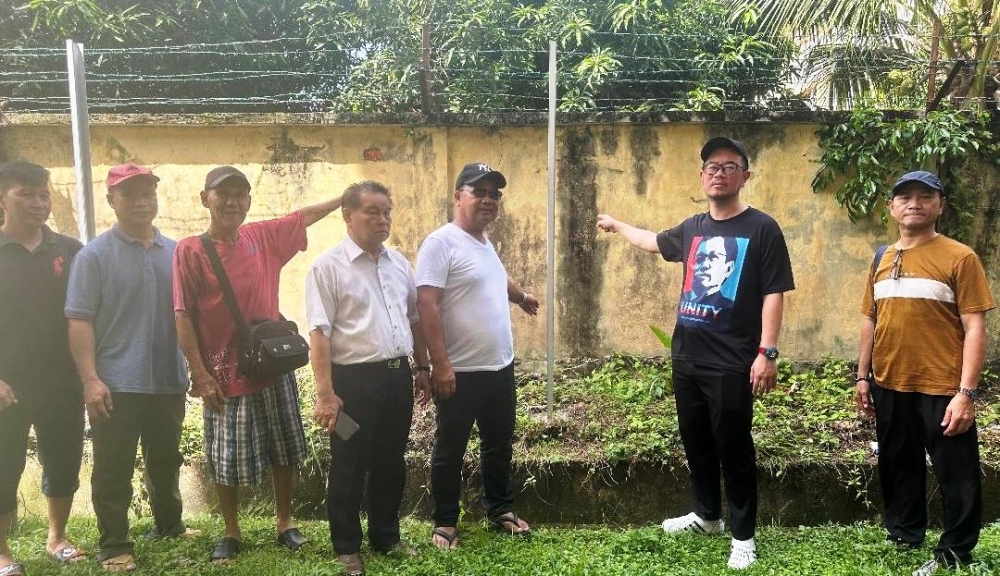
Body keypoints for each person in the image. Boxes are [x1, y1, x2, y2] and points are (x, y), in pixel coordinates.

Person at [596, 137, 794, 570]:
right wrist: (615, 224)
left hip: (732, 359)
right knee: (697, 441)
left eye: (728, 166)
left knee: (733, 446)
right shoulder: (692, 227)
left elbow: (775, 292)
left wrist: (768, 353)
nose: (718, 173)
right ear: (702, 176)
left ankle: (743, 536)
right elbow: (653, 242)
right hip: (687, 355)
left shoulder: (762, 228)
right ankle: (707, 516)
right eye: (710, 166)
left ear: (745, 175)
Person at [173, 165, 342, 563]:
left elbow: (302, 217)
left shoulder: (261, 236)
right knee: (225, 455)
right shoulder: (191, 250)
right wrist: (199, 374)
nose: (232, 202)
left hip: (273, 363)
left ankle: (285, 523)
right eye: (223, 194)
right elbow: (181, 315)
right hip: (225, 372)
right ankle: (231, 531)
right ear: (205, 199)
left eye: (240, 195)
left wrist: (344, 199)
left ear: (249, 201)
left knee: (284, 446)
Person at [854, 171, 994, 576]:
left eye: (924, 196)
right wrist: (863, 377)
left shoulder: (959, 257)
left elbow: (975, 327)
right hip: (889, 383)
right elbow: (869, 319)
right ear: (892, 207)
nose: (914, 203)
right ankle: (904, 532)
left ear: (940, 205)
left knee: (957, 473)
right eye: (905, 197)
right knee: (898, 463)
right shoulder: (881, 257)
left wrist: (966, 392)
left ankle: (955, 550)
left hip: (942, 385)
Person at [66, 164, 196, 572]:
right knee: (113, 468)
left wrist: (195, 367)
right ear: (111, 201)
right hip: (115, 383)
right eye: (130, 194)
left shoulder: (176, 253)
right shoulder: (94, 256)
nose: (141, 202)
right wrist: (90, 380)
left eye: (148, 194)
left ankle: (170, 524)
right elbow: (79, 320)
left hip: (167, 379)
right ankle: (114, 545)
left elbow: (190, 317)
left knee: (165, 459)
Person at [305, 181, 430, 575]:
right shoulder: (328, 268)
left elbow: (415, 320)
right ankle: (346, 545)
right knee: (350, 462)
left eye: (387, 212)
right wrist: (326, 393)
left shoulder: (399, 265)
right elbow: (319, 334)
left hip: (396, 378)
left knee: (391, 460)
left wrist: (422, 368)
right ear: (348, 216)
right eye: (372, 212)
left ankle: (386, 536)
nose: (382, 220)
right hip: (352, 383)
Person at [416, 162, 539, 550]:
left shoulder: (484, 243)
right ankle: (446, 522)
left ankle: (500, 508)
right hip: (459, 372)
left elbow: (496, 277)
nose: (488, 199)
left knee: (498, 444)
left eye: (494, 194)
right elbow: (426, 304)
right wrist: (441, 364)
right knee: (450, 449)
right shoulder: (441, 243)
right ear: (458, 197)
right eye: (479, 191)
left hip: (499, 367)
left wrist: (521, 298)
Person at [0, 161, 87, 576]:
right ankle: (1, 552)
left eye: (43, 195)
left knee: (63, 457)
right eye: (27, 194)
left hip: (61, 381)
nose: (39, 203)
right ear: (3, 198)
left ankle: (57, 536)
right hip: (7, 386)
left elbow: (87, 315)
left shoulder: (70, 251)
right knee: (3, 464)